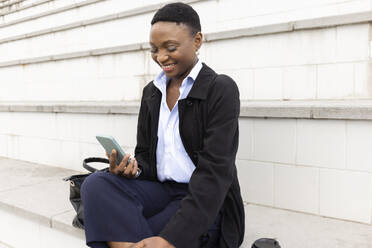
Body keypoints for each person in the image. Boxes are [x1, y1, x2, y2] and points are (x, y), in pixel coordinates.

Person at [81, 2, 245, 248]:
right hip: (159, 192)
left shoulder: (220, 89)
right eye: (154, 50)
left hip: (201, 199)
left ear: (197, 40)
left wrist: (170, 240)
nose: (161, 57)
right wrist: (132, 170)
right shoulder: (152, 92)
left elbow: (214, 175)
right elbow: (146, 157)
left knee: (136, 233)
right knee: (96, 184)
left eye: (170, 47)